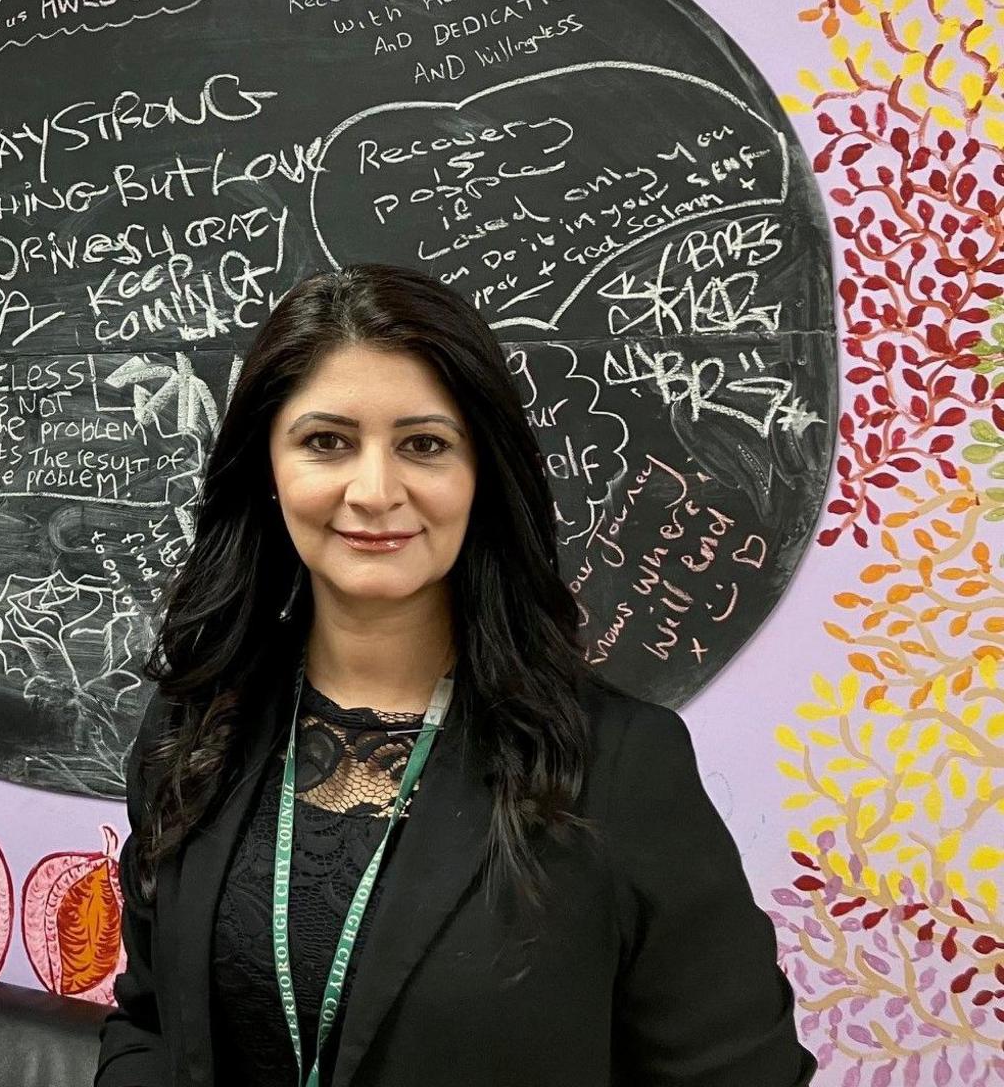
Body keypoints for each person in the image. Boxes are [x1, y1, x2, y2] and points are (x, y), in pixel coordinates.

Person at [96, 265, 812, 1087]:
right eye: (326, 441)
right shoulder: (195, 730)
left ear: (481, 475)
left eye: (423, 445)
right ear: (268, 468)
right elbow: (151, 1023)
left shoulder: (617, 768)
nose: (374, 491)